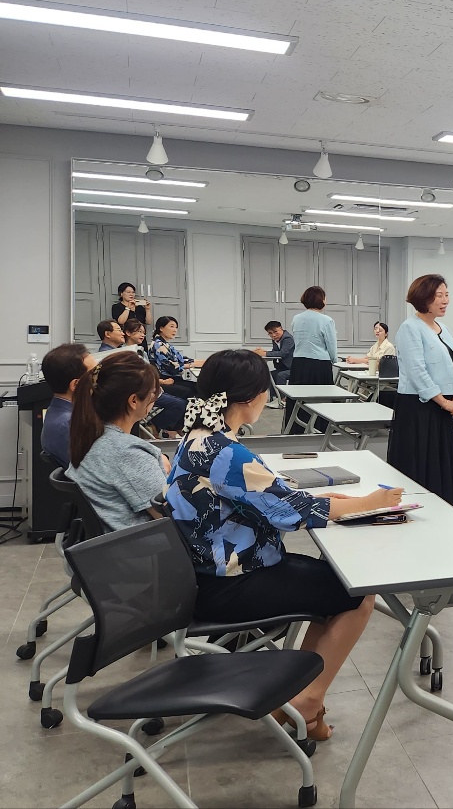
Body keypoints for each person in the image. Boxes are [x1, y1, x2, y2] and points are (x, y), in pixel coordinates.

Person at [165, 349, 402, 742]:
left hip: (208, 574)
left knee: (330, 585)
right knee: (357, 593)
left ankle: (298, 695)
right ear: (250, 397)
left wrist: (325, 502)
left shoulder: (199, 439)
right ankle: (308, 702)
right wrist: (367, 503)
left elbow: (264, 496)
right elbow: (287, 511)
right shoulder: (225, 452)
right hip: (229, 584)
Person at [67, 351, 170, 532]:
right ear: (134, 400)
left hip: (115, 543)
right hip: (142, 543)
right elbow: (171, 515)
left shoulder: (92, 436)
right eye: (154, 393)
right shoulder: (127, 453)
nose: (155, 398)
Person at [390, 274, 453, 512]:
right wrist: (444, 402)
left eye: (446, 295)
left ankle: (440, 514)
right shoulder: (410, 328)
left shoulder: (442, 328)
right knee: (419, 464)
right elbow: (417, 372)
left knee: (439, 465)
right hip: (418, 408)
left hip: (441, 406)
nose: (445, 300)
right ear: (424, 298)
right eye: (439, 296)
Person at [285, 289, 337, 433]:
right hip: (319, 364)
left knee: (299, 399)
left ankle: (296, 429)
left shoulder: (296, 318)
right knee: (321, 399)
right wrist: (334, 360)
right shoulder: (327, 320)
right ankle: (321, 429)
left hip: (299, 363)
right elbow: (331, 345)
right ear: (321, 299)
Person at [41, 343, 94, 468]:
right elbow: (99, 472)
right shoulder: (69, 424)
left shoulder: (56, 412)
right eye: (95, 374)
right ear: (76, 385)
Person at [149, 316, 199, 400]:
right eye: (172, 326)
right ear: (161, 328)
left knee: (197, 386)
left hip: (172, 378)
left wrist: (198, 362)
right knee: (194, 389)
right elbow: (172, 368)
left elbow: (181, 359)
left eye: (176, 327)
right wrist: (191, 365)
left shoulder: (164, 344)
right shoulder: (158, 345)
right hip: (166, 379)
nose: (175, 330)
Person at [254, 320, 296, 384]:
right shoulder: (275, 339)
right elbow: (275, 352)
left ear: (281, 328)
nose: (273, 335)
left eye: (275, 331)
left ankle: (281, 391)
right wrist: (263, 352)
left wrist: (265, 353)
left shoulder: (288, 338)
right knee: (269, 375)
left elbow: (282, 353)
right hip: (283, 367)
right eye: (270, 333)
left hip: (293, 368)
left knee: (280, 375)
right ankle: (273, 391)